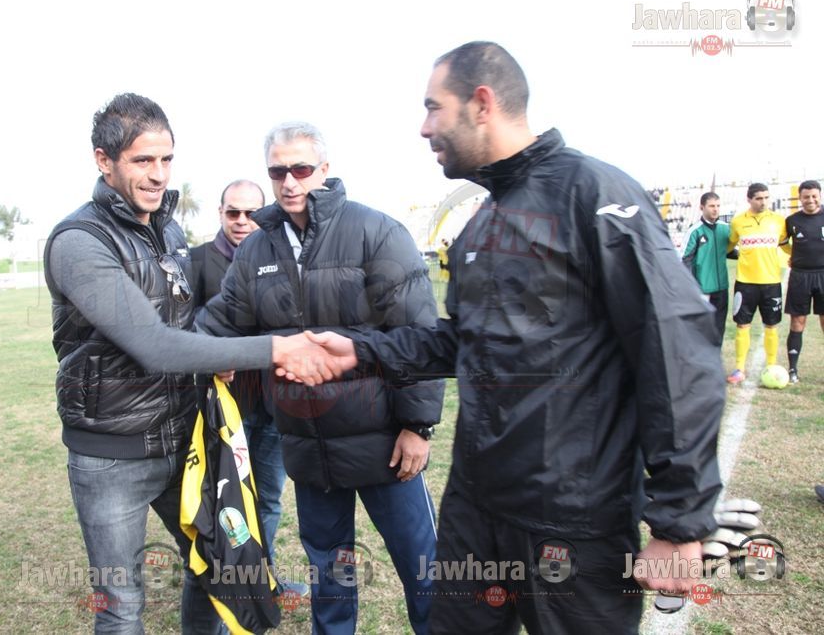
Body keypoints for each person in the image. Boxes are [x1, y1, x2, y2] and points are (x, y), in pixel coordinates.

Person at [289, 42, 724, 634]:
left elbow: (676, 350)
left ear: (482, 102)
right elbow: (467, 341)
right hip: (476, 506)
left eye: (433, 107)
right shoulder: (484, 220)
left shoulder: (595, 194)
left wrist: (679, 521)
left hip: (574, 520)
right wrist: (362, 350)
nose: (423, 128)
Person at [43, 93, 331, 634]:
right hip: (111, 455)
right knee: (120, 604)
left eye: (166, 159)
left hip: (184, 440)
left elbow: (184, 323)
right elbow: (154, 344)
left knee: (217, 570)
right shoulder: (79, 241)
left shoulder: (168, 230)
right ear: (104, 161)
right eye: (142, 160)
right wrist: (275, 348)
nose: (158, 174)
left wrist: (213, 354)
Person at [198, 122, 444, 634]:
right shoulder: (256, 251)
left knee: (422, 568)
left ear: (324, 170)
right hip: (307, 448)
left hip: (384, 443)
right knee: (329, 576)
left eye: (301, 169)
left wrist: (417, 426)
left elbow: (417, 333)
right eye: (278, 171)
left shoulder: (376, 231)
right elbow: (219, 321)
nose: (289, 181)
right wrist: (179, 347)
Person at [189, 179, 309, 598]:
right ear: (220, 212)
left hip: (276, 407)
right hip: (224, 412)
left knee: (269, 499)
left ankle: (264, 582)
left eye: (251, 213)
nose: (242, 221)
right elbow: (183, 330)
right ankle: (226, 590)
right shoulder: (196, 262)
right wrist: (213, 357)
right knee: (225, 504)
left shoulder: (282, 257)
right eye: (233, 212)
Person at [726, 183, 788, 384]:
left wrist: (801, 258)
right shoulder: (738, 222)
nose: (763, 202)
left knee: (771, 325)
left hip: (771, 282)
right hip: (745, 283)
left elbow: (786, 246)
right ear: (749, 199)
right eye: (759, 198)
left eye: (766, 197)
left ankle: (771, 366)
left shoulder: (779, 221)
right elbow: (728, 246)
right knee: (742, 325)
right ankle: (739, 369)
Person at [783, 179, 824, 383]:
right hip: (800, 276)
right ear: (800, 198)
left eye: (814, 196)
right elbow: (783, 243)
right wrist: (793, 255)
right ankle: (793, 370)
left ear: (820, 196)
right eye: (806, 197)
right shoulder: (791, 220)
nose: (810, 200)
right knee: (798, 321)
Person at [681, 191, 732, 344]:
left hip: (722, 287)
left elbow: (732, 251)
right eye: (711, 206)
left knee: (719, 327)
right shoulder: (695, 231)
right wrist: (691, 287)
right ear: (701, 207)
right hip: (702, 288)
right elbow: (684, 260)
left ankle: (716, 355)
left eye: (718, 206)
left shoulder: (726, 228)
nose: (715, 209)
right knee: (700, 328)